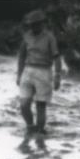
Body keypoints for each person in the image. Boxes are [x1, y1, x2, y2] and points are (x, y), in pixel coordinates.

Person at [16, 9, 63, 137]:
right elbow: (21, 56)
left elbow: (57, 57)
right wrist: (19, 75)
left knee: (40, 106)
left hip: (44, 71)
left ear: (42, 23)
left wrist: (57, 76)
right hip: (28, 70)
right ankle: (30, 127)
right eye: (31, 24)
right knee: (24, 104)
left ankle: (40, 134)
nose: (34, 26)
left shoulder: (49, 37)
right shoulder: (27, 36)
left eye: (37, 23)